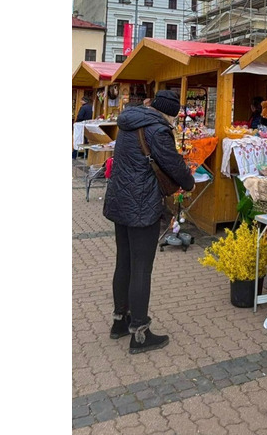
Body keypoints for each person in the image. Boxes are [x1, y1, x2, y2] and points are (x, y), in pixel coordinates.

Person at [102, 89, 194, 354]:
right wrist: (188, 182)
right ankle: (140, 333)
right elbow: (173, 164)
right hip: (142, 205)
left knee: (124, 262)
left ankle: (120, 321)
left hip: (120, 200)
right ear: (168, 112)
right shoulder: (158, 129)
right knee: (141, 268)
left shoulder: (129, 121)